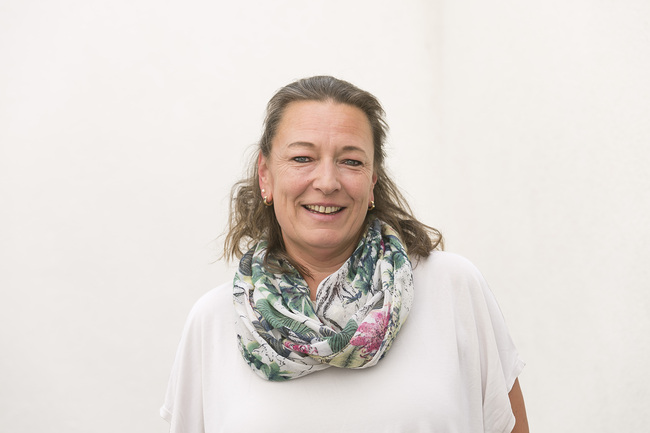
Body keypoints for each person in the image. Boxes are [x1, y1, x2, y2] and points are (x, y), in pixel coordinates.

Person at [160, 76, 529, 433]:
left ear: (373, 180)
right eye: (302, 158)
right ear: (265, 175)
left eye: (351, 161)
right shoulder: (213, 322)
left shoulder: (453, 290)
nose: (327, 182)